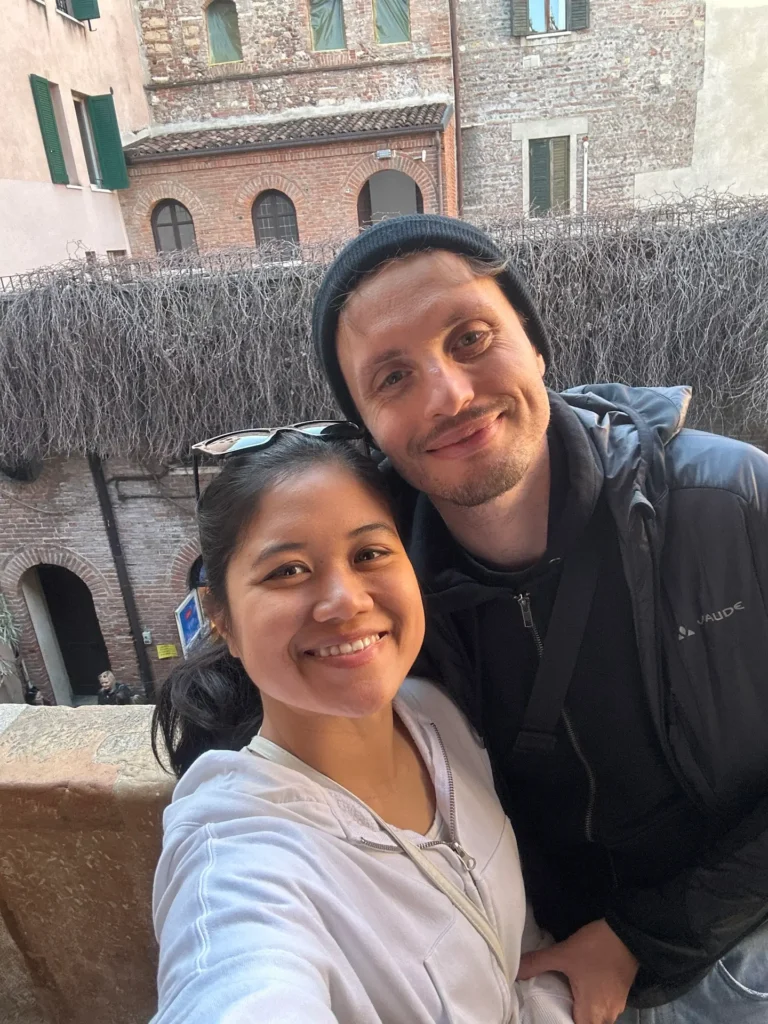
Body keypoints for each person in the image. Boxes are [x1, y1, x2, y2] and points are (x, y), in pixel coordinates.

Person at [311, 215, 768, 1024]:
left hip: (741, 953)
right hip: (540, 984)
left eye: (470, 337)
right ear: (369, 430)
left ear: (533, 341)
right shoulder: (379, 595)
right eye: (391, 378)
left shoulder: (730, 504)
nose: (449, 395)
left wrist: (637, 940)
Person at [150, 427, 574, 1024]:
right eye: (287, 571)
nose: (345, 600)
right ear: (220, 616)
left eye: (370, 554)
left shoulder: (439, 718)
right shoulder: (238, 859)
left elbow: (514, 958)